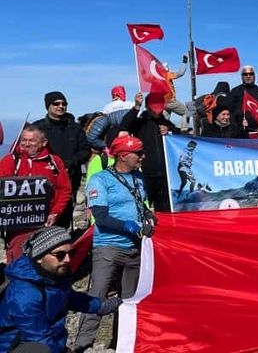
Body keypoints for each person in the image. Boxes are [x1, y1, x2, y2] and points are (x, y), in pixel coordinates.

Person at [73, 135, 156, 352]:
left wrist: (147, 214)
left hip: (134, 249)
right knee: (97, 296)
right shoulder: (100, 179)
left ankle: (121, 343)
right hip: (108, 248)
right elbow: (100, 217)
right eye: (138, 153)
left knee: (129, 300)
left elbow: (140, 203)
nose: (143, 157)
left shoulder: (138, 177)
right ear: (122, 156)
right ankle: (83, 344)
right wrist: (129, 226)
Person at [0, 227, 121, 353]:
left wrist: (102, 306)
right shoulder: (24, 294)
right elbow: (38, 339)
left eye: (71, 253)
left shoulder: (53, 277)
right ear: (39, 257)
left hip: (52, 342)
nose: (67, 260)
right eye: (60, 255)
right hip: (18, 347)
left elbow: (69, 298)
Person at [0, 126, 71, 262]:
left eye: (31, 140)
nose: (26, 144)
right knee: (17, 262)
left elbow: (64, 190)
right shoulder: (9, 161)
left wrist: (55, 213)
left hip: (47, 223)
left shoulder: (54, 162)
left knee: (46, 262)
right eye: (23, 140)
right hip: (17, 226)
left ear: (44, 143)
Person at [33, 91, 89, 228]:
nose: (61, 106)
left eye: (64, 103)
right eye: (56, 103)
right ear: (48, 106)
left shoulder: (75, 129)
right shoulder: (37, 128)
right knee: (41, 217)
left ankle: (61, 245)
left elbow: (86, 150)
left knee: (64, 215)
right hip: (42, 181)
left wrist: (71, 162)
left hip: (69, 179)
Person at [120, 92, 178, 212]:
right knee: (143, 207)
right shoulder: (141, 122)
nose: (157, 111)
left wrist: (170, 131)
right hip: (145, 173)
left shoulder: (167, 123)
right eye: (154, 108)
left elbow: (179, 138)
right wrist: (136, 107)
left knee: (165, 209)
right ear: (148, 107)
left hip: (165, 174)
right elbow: (125, 125)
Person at [228, 66, 258, 136]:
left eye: (251, 74)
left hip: (256, 131)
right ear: (242, 76)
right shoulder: (235, 91)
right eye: (245, 74)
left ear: (254, 76)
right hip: (238, 131)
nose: (248, 76)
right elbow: (230, 111)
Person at [162, 55, 190, 132]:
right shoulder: (167, 75)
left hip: (162, 103)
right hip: (171, 101)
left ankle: (161, 133)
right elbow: (180, 73)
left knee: (164, 119)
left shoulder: (158, 77)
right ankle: (184, 130)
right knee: (188, 111)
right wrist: (184, 61)